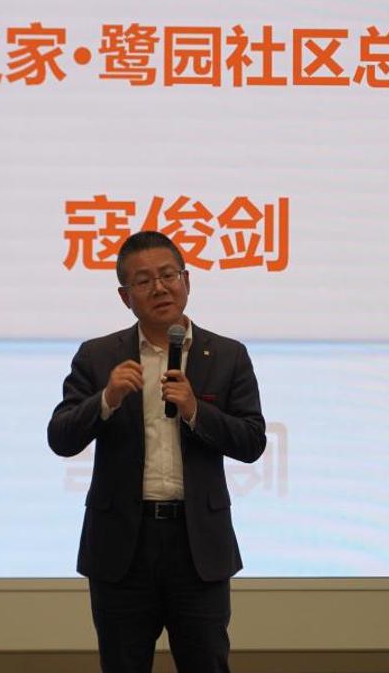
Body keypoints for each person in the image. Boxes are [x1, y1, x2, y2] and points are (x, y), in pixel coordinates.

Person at [48, 230, 267, 673]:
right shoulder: (98, 356)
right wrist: (106, 399)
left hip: (197, 545)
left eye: (169, 275)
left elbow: (252, 441)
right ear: (125, 296)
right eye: (144, 281)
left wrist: (195, 411)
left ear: (187, 280)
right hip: (122, 547)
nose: (160, 288)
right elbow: (61, 437)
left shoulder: (228, 355)